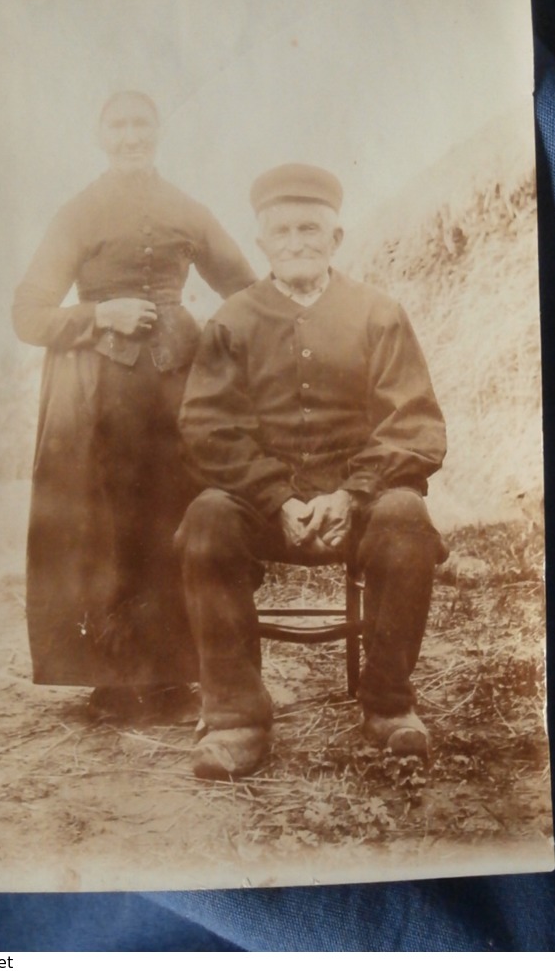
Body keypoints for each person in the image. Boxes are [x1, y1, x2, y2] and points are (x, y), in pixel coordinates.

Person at [176, 163, 447, 778]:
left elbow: (415, 423)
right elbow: (206, 430)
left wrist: (351, 494)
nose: (296, 242)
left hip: (361, 508)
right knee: (207, 517)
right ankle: (237, 718)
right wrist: (276, 497)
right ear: (262, 242)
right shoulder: (231, 322)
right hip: (266, 513)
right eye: (282, 231)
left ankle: (387, 706)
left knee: (406, 516)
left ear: (337, 238)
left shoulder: (379, 314)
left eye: (310, 229)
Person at [12, 90, 256, 717]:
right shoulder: (78, 213)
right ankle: (116, 681)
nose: (130, 136)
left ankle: (177, 675)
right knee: (109, 528)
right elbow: (28, 313)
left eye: (141, 124)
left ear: (158, 130)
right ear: (100, 135)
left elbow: (246, 289)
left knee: (172, 518)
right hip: (97, 398)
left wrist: (221, 342)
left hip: (177, 394)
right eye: (117, 126)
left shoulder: (186, 209)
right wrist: (101, 314)